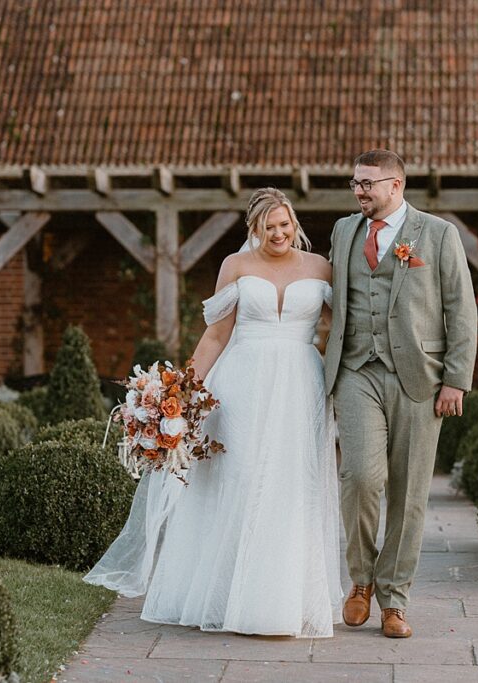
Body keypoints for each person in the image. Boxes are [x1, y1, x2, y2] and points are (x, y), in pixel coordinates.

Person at [85, 187, 344, 638]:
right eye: (268, 228)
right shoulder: (235, 267)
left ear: (294, 223)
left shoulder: (321, 267)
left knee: (290, 482)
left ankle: (280, 601)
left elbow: (343, 328)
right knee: (239, 478)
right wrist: (181, 393)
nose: (278, 233)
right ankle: (224, 595)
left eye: (284, 224)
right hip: (242, 383)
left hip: (301, 385)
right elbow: (215, 338)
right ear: (255, 230)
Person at [323, 149, 478, 638]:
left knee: (410, 492)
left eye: (368, 183)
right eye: (355, 183)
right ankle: (360, 580)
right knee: (360, 478)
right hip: (355, 370)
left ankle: (394, 599)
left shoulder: (438, 234)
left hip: (419, 377)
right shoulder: (344, 232)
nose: (359, 191)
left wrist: (456, 377)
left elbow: (461, 308)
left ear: (396, 185)